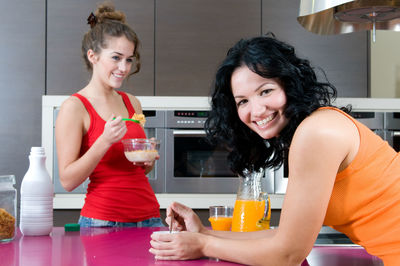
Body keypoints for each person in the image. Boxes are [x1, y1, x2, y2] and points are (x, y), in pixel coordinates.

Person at [149, 34, 400, 265]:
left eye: (265, 91)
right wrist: (204, 233)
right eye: (243, 101)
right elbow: (284, 237)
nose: (256, 111)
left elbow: (288, 254)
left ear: (289, 85)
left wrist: (204, 245)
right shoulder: (315, 127)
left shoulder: (316, 133)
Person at [55, 2, 163, 228]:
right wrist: (104, 140)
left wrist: (147, 157)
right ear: (93, 56)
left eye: (129, 59)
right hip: (102, 222)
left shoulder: (131, 102)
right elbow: (67, 180)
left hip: (150, 217)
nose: (124, 68)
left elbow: (138, 170)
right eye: (116, 57)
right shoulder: (74, 107)